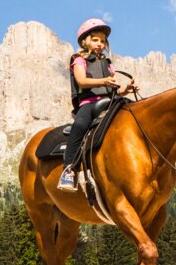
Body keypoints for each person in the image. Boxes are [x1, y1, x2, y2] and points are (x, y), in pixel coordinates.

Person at [58, 18, 138, 191]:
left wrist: (126, 89)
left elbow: (114, 87)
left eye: (102, 41)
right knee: (80, 125)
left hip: (110, 101)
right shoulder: (79, 60)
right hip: (89, 104)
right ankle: (69, 169)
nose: (100, 44)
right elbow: (81, 80)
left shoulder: (108, 64)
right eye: (95, 40)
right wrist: (104, 81)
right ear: (84, 41)